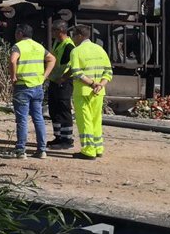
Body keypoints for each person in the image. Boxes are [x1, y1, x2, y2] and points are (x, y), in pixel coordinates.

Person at [9, 24, 56, 158]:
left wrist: (13, 76)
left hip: (23, 86)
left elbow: (12, 60)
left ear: (20, 33)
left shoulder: (18, 46)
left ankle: (21, 150)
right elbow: (52, 59)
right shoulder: (39, 46)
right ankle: (42, 150)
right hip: (37, 86)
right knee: (38, 118)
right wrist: (44, 76)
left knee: (22, 119)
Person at [68, 24, 113, 159]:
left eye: (73, 35)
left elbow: (77, 73)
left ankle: (88, 150)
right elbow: (108, 72)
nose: (72, 38)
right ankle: (98, 148)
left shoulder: (76, 51)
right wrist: (100, 85)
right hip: (99, 92)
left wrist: (92, 84)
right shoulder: (100, 50)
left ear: (79, 36)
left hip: (83, 91)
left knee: (85, 121)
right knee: (96, 120)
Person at [47, 21, 76, 149]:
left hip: (64, 82)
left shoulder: (69, 46)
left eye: (53, 30)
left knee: (64, 110)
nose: (51, 32)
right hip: (55, 80)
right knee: (54, 110)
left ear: (60, 31)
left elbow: (75, 66)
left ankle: (67, 139)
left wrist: (64, 78)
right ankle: (58, 136)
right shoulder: (57, 42)